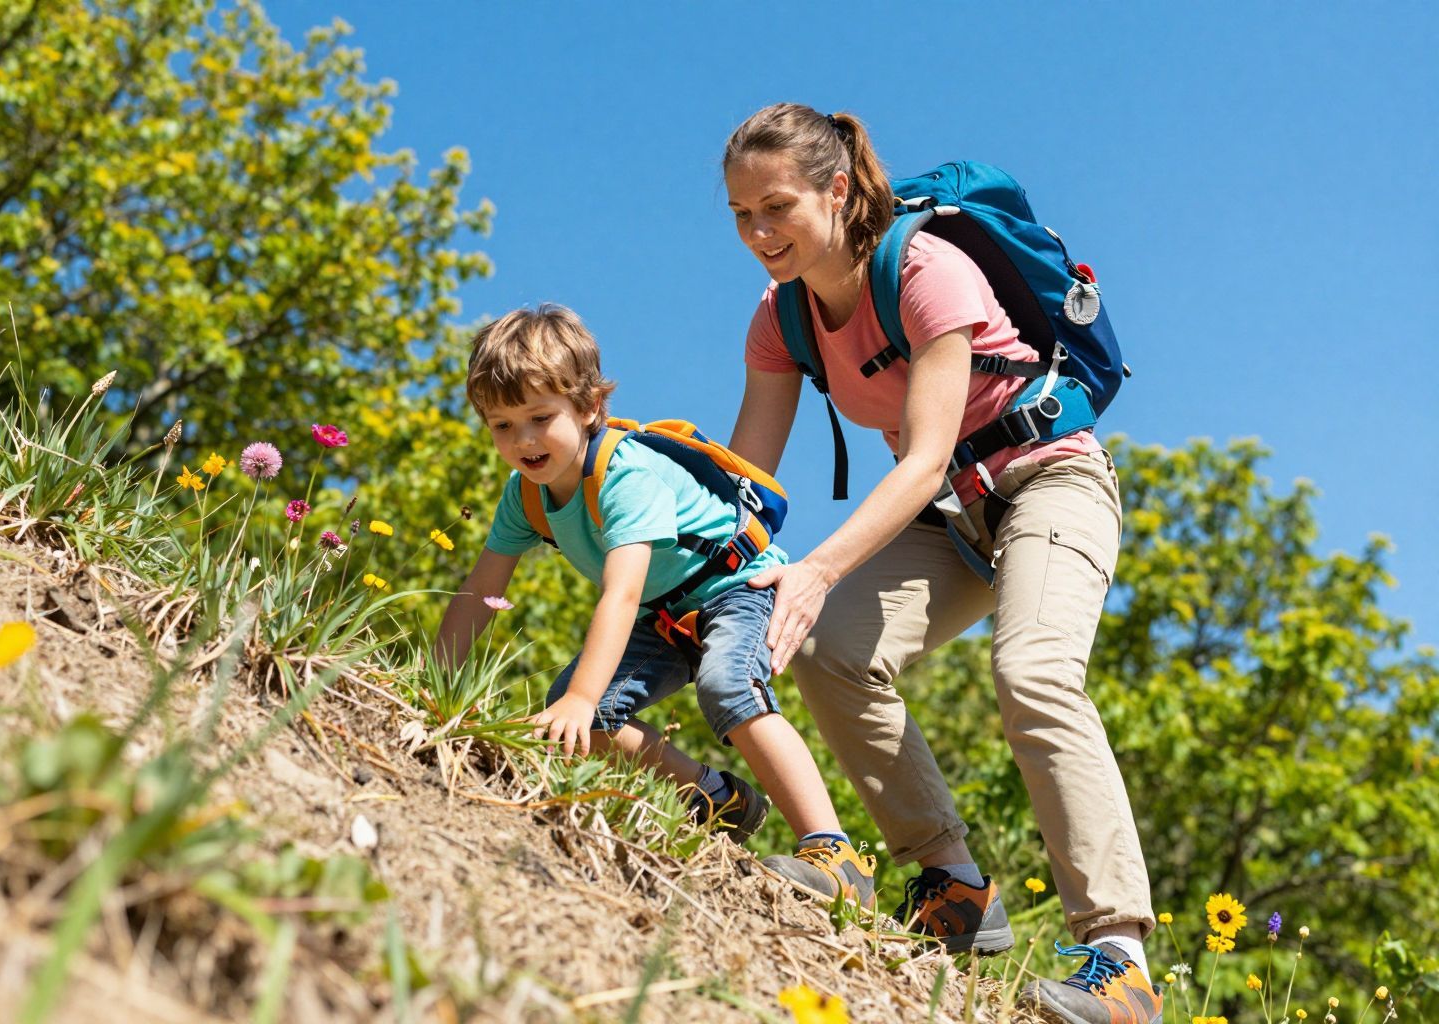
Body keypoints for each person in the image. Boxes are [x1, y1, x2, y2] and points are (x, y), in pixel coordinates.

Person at [721, 103, 1162, 1024]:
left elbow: (922, 454)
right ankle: (952, 887)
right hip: (949, 518)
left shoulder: (925, 267)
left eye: (778, 207)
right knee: (827, 645)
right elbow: (747, 484)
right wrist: (694, 571)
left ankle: (1119, 960)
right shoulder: (782, 319)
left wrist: (813, 571)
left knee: (1033, 673)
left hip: (1049, 479)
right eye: (740, 215)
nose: (759, 233)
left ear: (838, 190)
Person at [434, 303, 875, 908]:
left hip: (735, 588)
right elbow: (479, 594)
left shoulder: (625, 476)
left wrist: (584, 695)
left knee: (726, 686)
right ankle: (714, 799)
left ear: (588, 407)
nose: (524, 441)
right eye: (502, 426)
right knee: (581, 725)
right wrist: (436, 687)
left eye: (540, 417)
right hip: (662, 615)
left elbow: (622, 591)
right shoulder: (526, 497)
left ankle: (835, 854)